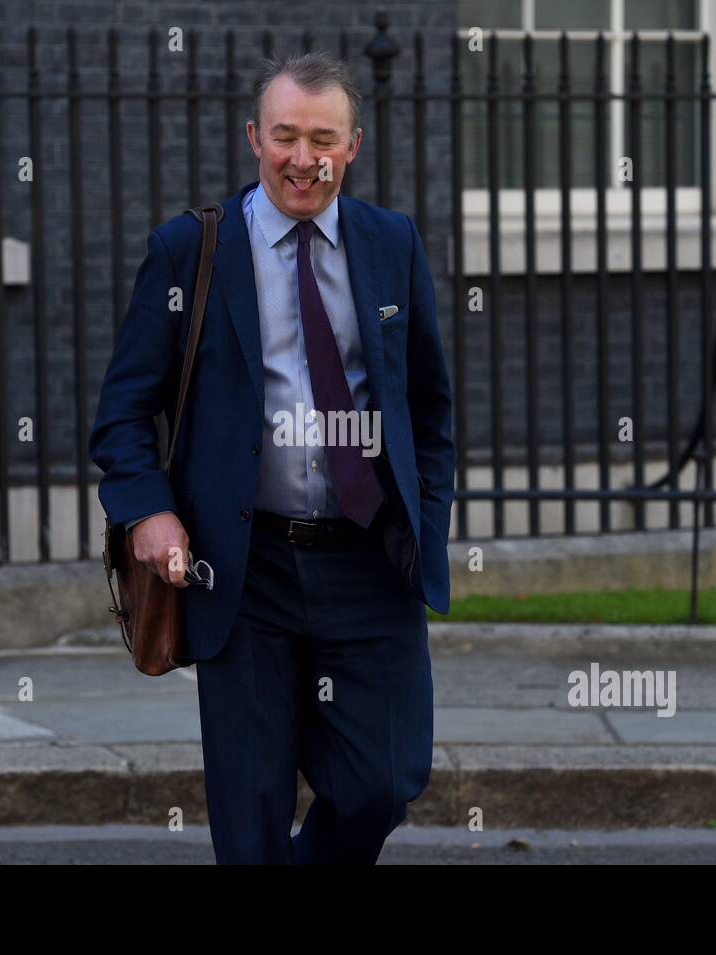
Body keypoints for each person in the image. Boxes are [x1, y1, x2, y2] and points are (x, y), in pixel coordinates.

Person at [90, 51, 455, 864]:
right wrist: (148, 509)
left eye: (321, 138)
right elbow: (121, 412)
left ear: (352, 146)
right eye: (284, 135)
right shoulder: (190, 251)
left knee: (383, 782)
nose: (302, 157)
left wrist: (428, 519)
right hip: (241, 572)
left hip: (369, 562)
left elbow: (429, 405)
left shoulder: (390, 242)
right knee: (249, 818)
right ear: (254, 137)